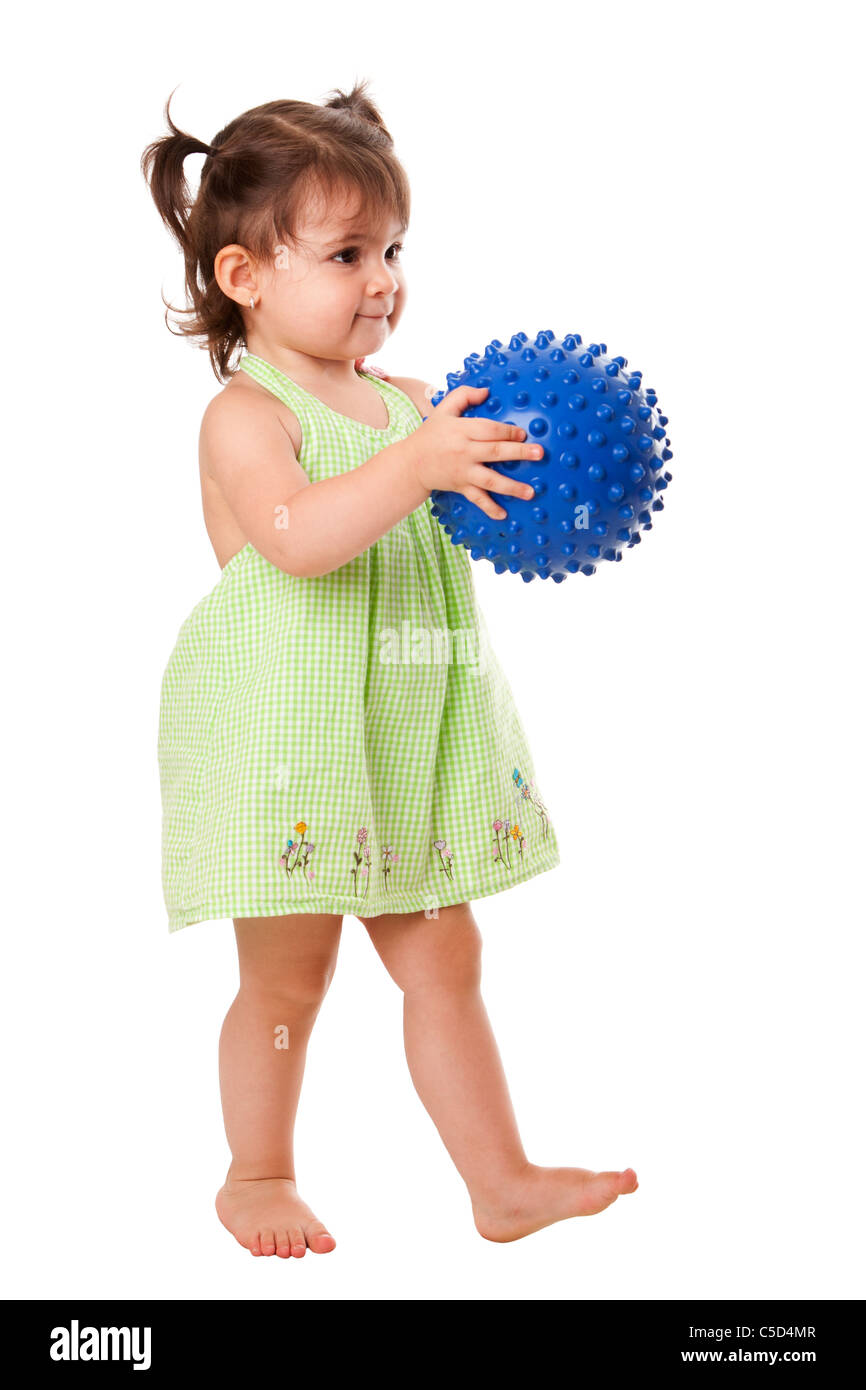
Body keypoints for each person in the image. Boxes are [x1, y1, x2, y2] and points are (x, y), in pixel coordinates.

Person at [141, 80, 638, 1259]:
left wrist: (536, 469)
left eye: (393, 249)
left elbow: (473, 485)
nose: (383, 280)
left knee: (447, 957)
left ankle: (499, 1181)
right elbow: (299, 539)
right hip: (290, 746)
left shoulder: (410, 403)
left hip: (402, 736)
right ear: (244, 277)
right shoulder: (246, 417)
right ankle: (257, 1172)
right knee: (289, 979)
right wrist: (417, 464)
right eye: (347, 253)